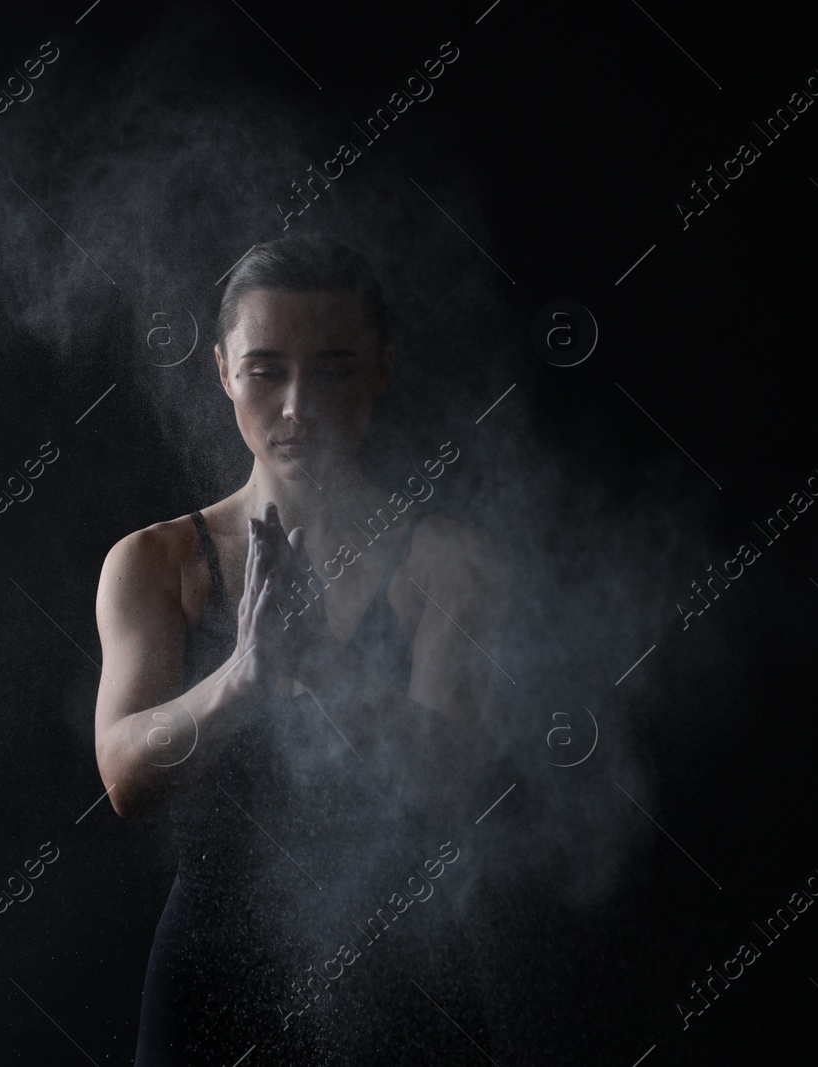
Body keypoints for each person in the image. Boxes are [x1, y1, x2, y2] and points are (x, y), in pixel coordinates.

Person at [92, 235, 508, 1063]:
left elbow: (449, 779)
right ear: (221, 370)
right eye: (266, 369)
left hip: (403, 970)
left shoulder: (449, 561)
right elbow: (123, 774)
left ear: (382, 369)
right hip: (208, 981)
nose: (297, 406)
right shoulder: (155, 561)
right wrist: (243, 676)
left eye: (334, 369)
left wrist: (328, 668)